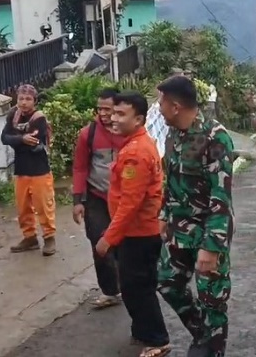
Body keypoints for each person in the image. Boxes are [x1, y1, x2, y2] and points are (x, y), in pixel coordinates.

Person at [156, 75, 235, 357]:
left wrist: (212, 247)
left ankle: (211, 347)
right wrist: (164, 214)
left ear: (175, 106)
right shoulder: (173, 134)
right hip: (179, 228)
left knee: (211, 298)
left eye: (161, 103)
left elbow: (221, 196)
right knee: (167, 283)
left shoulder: (215, 137)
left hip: (208, 229)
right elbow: (171, 181)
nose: (158, 108)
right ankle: (203, 335)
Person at [95, 91, 171, 357]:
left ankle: (157, 339)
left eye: (120, 114)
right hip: (136, 231)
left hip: (138, 234)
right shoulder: (135, 144)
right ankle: (143, 331)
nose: (113, 118)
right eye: (113, 112)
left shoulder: (136, 152)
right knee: (134, 286)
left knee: (138, 288)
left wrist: (109, 238)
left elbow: (130, 203)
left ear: (138, 119)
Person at [71, 87, 125, 309]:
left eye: (107, 109)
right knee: (99, 243)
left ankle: (128, 285)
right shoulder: (88, 134)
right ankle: (110, 291)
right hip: (96, 197)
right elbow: (80, 168)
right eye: (99, 109)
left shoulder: (129, 132)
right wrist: (77, 201)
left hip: (123, 200)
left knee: (124, 244)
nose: (102, 113)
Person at [0, 84, 57, 256]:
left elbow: (34, 144)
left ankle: (49, 237)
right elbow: (4, 138)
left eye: (28, 99)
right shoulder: (13, 115)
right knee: (23, 207)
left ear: (35, 101)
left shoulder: (39, 118)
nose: (24, 102)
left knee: (43, 206)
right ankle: (30, 238)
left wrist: (17, 140)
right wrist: (22, 139)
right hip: (21, 170)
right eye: (21, 99)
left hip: (39, 170)